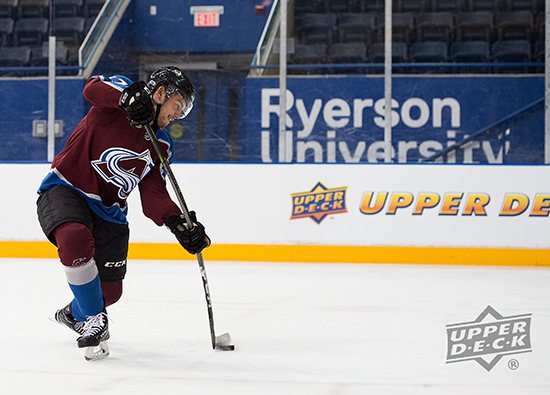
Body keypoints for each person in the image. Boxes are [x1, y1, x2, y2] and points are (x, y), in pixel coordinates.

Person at [36, 66, 210, 360]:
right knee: (75, 237)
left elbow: (152, 194)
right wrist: (128, 97)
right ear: (159, 93)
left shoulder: (161, 145)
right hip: (67, 189)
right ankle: (94, 321)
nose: (179, 114)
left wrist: (177, 222)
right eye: (177, 105)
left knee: (110, 294)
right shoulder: (118, 98)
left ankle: (73, 314)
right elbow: (91, 88)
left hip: (110, 214)